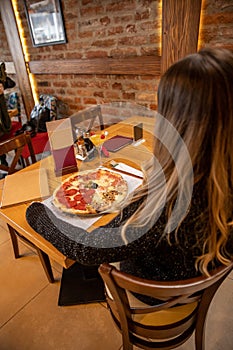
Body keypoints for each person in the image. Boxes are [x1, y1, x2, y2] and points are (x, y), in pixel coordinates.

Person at [26, 47, 233, 285]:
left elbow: (86, 249)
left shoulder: (168, 205)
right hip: (200, 273)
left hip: (153, 287)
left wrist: (37, 214)